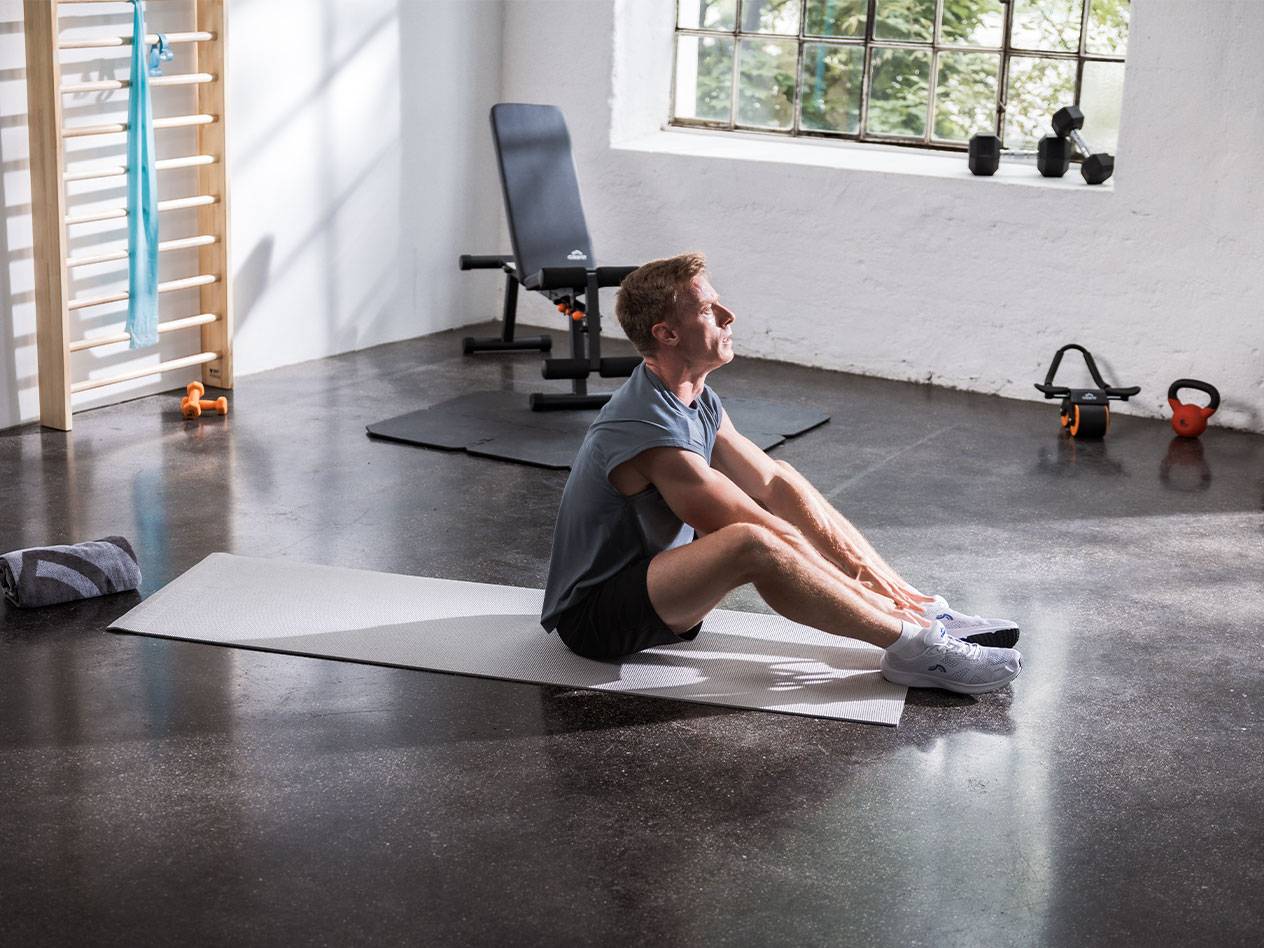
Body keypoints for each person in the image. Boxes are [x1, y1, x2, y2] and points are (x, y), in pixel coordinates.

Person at [540, 252, 1022, 694]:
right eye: (709, 310)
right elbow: (760, 531)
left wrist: (883, 587)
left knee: (783, 474)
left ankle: (919, 604)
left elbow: (771, 485)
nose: (729, 317)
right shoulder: (648, 428)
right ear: (667, 333)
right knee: (751, 542)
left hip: (651, 586)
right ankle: (915, 646)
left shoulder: (695, 397)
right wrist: (874, 608)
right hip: (595, 620)